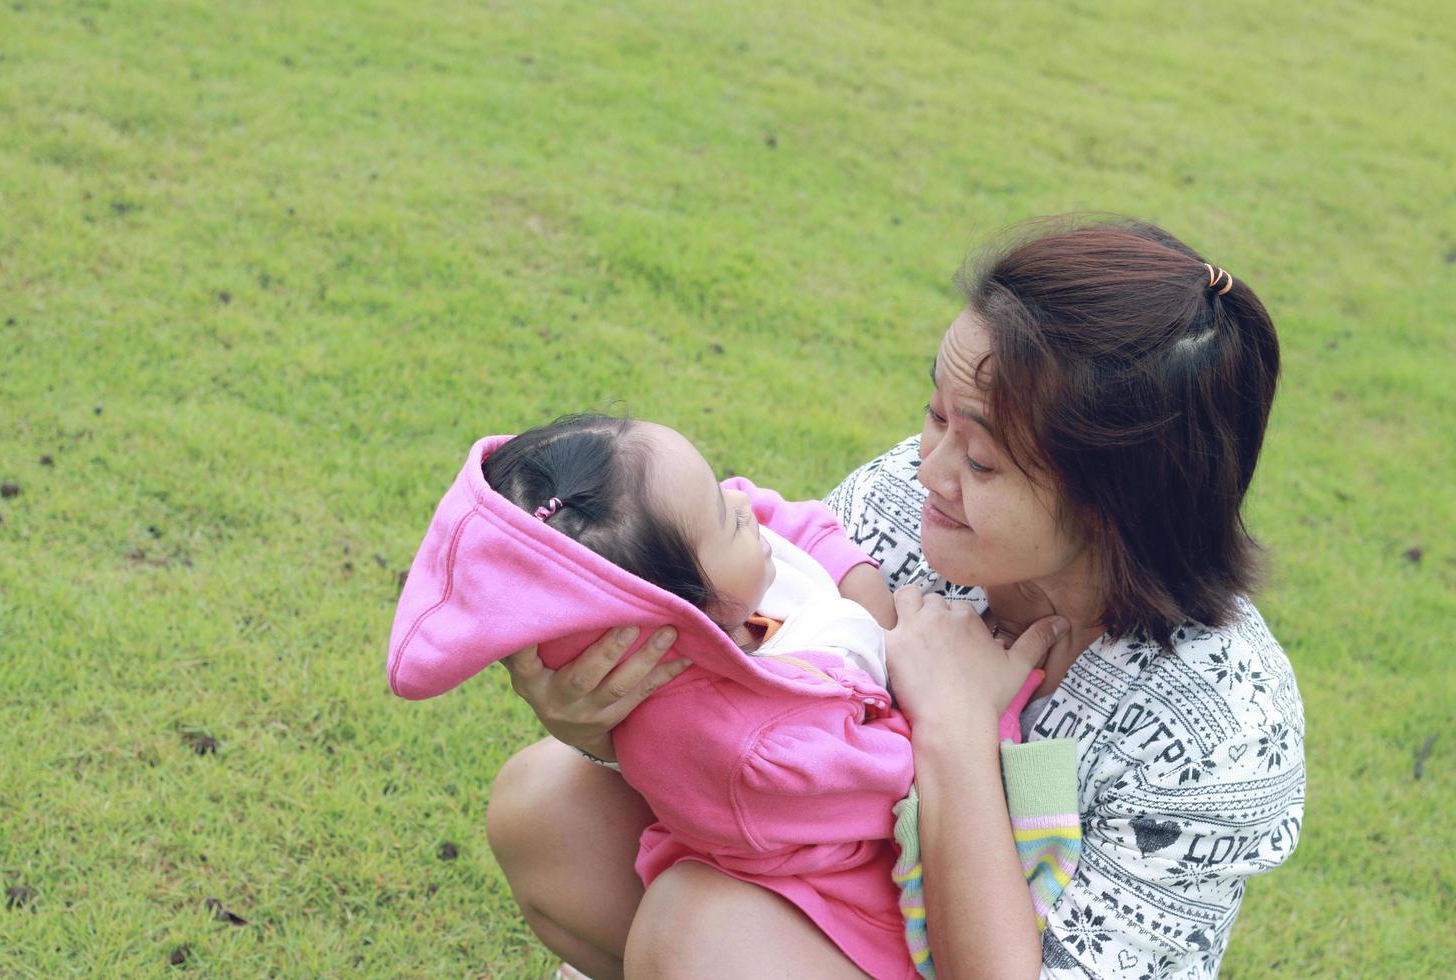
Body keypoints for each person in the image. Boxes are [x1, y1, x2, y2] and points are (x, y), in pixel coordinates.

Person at [485, 217, 1305, 978]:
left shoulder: (1219, 727)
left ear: (1117, 500)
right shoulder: (899, 509)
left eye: (979, 461)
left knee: (701, 928)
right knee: (547, 806)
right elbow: (742, 705)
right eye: (934, 413)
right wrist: (600, 722)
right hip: (831, 887)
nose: (926, 469)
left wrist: (953, 726)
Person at [388, 413, 1078, 978]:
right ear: (683, 619)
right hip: (857, 923)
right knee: (553, 808)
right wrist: (953, 702)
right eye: (724, 516)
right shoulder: (752, 744)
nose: (746, 501)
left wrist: (867, 602)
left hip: (796, 899)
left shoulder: (723, 571)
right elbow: (885, 787)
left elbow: (796, 527)